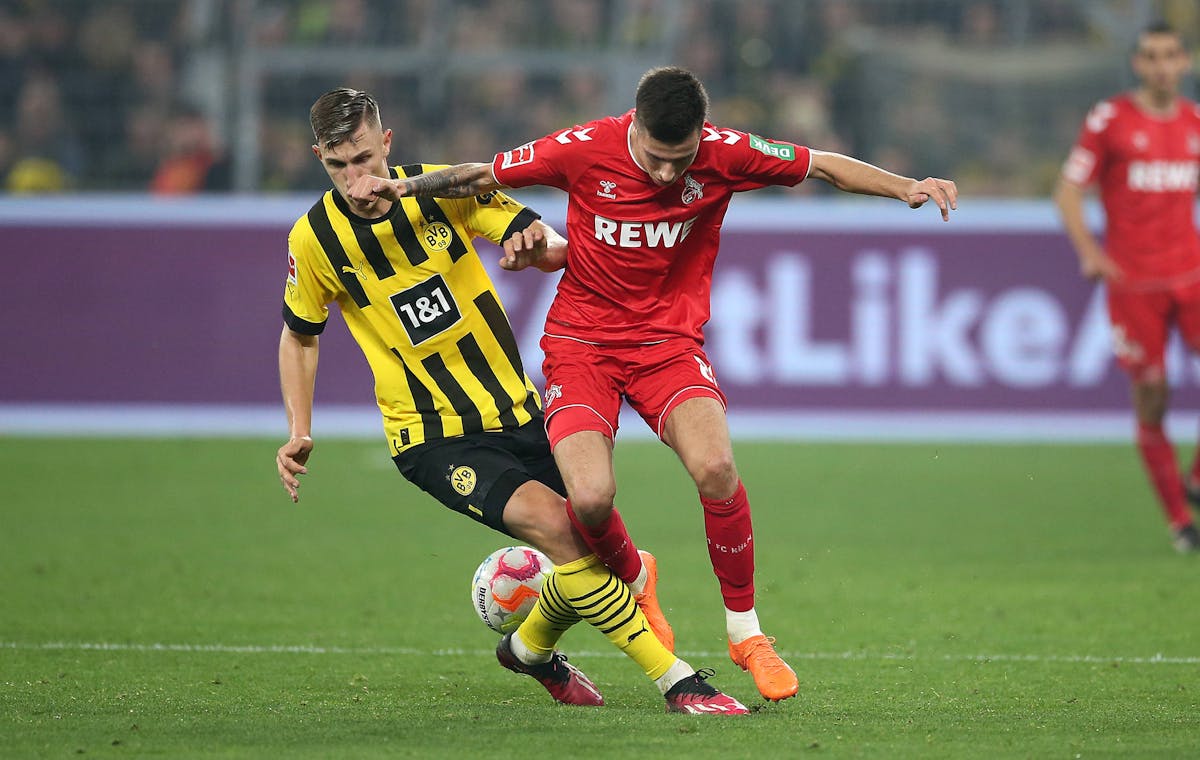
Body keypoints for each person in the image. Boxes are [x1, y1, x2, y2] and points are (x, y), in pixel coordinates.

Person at [347, 66, 957, 703]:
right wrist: (400, 186)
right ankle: (638, 579)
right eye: (657, 159)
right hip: (581, 345)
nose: (668, 175)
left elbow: (825, 165)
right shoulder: (582, 147)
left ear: (701, 135)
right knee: (587, 500)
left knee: (717, 467)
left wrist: (906, 187)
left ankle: (747, 634)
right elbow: (479, 175)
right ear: (633, 126)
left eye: (681, 159)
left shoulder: (727, 153)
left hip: (668, 346)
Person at [276, 87, 748, 715]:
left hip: (520, 410)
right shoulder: (314, 240)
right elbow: (300, 335)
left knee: (590, 541)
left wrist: (535, 250)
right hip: (433, 435)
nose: (357, 180)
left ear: (386, 143)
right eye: (338, 167)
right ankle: (680, 683)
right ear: (319, 159)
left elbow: (544, 240)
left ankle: (528, 651)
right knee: (563, 533)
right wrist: (298, 428)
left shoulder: (441, 189)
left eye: (364, 159)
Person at [1054, 22, 1200, 553]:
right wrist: (1091, 253)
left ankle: (1198, 480)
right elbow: (1068, 192)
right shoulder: (1110, 120)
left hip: (1191, 273)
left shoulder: (1194, 123)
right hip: (1134, 283)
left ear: (1184, 62)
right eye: (1151, 57)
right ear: (1138, 64)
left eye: (1170, 56)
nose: (1161, 66)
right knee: (1153, 397)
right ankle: (1180, 522)